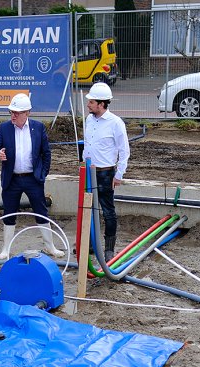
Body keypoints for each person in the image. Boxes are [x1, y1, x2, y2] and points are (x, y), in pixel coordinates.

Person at [0, 93, 63, 260]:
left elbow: (46, 153)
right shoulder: (4, 128)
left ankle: (50, 246)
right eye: (11, 112)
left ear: (27, 113)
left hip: (33, 178)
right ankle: (6, 249)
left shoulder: (38, 127)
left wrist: (42, 174)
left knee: (41, 211)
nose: (13, 115)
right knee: (9, 212)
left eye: (17, 112)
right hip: (12, 178)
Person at [82, 82, 130, 258]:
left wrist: (118, 175)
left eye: (91, 102)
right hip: (88, 172)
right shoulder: (89, 120)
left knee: (108, 211)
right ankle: (90, 244)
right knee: (88, 209)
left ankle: (109, 249)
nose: (88, 104)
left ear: (101, 104)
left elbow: (124, 150)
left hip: (105, 173)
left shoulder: (115, 123)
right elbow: (88, 144)